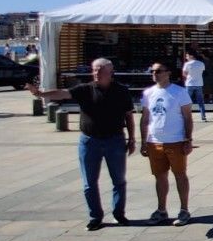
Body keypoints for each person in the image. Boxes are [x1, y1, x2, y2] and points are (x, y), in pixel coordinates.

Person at [28, 58, 136, 231]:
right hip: (89, 141)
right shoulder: (85, 89)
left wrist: (132, 139)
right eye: (94, 70)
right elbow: (62, 93)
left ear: (110, 72)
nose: (96, 73)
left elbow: (129, 116)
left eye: (100, 70)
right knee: (89, 183)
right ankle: (95, 217)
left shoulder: (121, 91)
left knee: (119, 180)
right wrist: (41, 94)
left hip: (114, 140)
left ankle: (119, 214)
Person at [140, 61, 194, 226]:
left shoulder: (179, 92)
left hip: (175, 140)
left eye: (159, 71)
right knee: (160, 177)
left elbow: (187, 117)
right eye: (153, 71)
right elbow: (145, 118)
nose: (155, 74)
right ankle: (161, 210)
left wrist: (188, 139)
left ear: (168, 73)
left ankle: (184, 210)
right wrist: (143, 141)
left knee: (180, 175)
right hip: (154, 141)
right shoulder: (148, 93)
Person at [181, 50, 206, 122]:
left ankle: (186, 117)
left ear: (191, 56)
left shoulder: (187, 64)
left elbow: (184, 74)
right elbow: (202, 72)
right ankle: (203, 116)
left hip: (189, 84)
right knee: (200, 101)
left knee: (187, 101)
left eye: (187, 55)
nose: (186, 57)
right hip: (199, 83)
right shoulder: (201, 63)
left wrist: (189, 76)